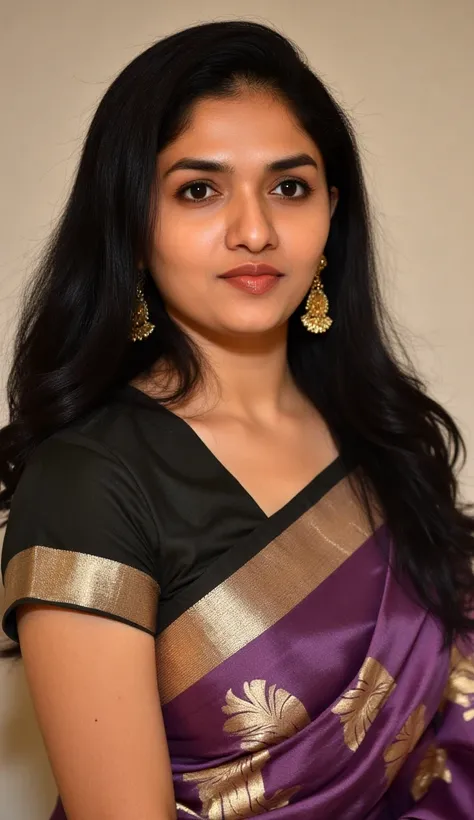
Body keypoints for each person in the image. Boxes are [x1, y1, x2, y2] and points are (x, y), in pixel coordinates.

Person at [0, 18, 473, 820]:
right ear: (132, 226)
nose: (254, 230)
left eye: (289, 186)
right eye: (198, 189)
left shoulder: (377, 433)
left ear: (332, 215)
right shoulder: (90, 485)